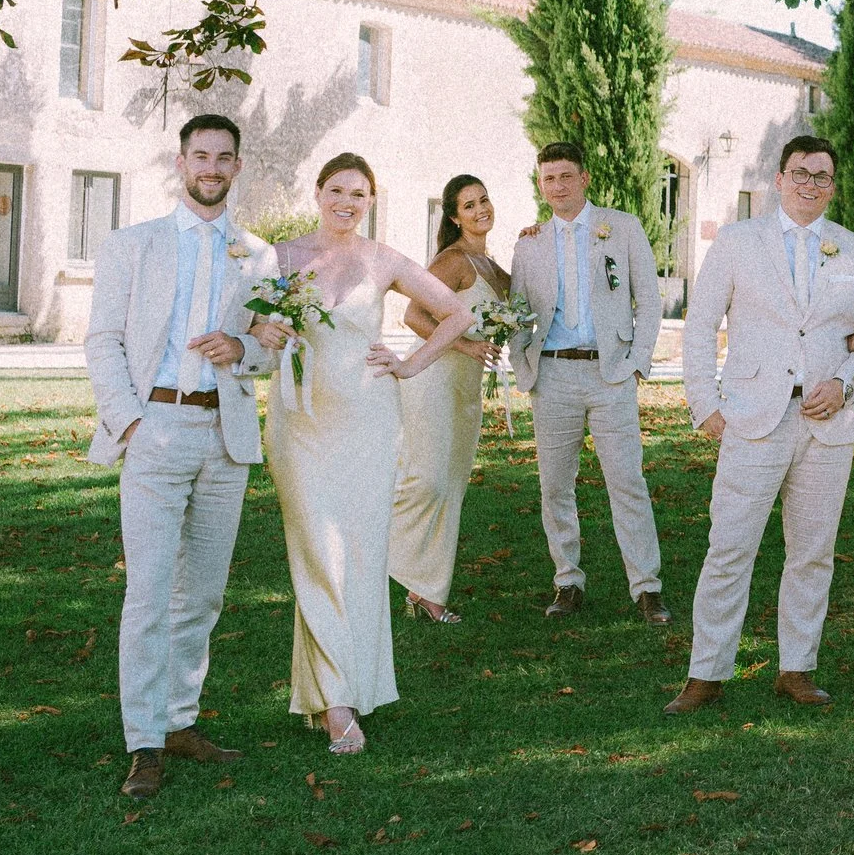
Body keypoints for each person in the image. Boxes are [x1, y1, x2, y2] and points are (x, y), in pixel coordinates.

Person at [251, 154, 472, 753]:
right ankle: (336, 702)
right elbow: (251, 325)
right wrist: (266, 331)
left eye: (360, 194)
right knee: (318, 551)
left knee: (363, 555)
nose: (347, 202)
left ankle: (346, 689)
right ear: (318, 192)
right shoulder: (283, 258)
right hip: (301, 422)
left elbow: (457, 314)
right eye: (337, 191)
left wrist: (408, 365)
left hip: (369, 423)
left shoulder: (384, 261)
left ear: (371, 201)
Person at [84, 113, 275, 800]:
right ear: (181, 161)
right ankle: (143, 743)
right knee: (149, 592)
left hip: (224, 436)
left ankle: (179, 719)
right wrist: (131, 423)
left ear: (238, 166)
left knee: (204, 591)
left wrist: (243, 348)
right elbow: (102, 340)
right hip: (155, 428)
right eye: (201, 155)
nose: (212, 167)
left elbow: (271, 342)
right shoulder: (133, 244)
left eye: (224, 157)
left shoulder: (257, 255)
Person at [665, 136, 854, 714]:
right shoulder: (740, 242)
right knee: (729, 547)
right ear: (779, 178)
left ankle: (797, 668)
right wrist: (703, 405)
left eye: (822, 176)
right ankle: (706, 671)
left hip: (825, 424)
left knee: (813, 553)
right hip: (752, 419)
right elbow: (699, 324)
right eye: (801, 173)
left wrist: (844, 383)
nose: (811, 184)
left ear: (833, 185)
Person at [507, 142, 668, 622]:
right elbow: (517, 313)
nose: (557, 186)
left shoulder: (620, 227)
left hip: (610, 372)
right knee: (555, 484)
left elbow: (651, 301)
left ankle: (647, 587)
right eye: (548, 178)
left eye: (565, 176)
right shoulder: (529, 241)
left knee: (627, 480)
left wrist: (637, 360)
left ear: (584, 178)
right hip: (552, 372)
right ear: (541, 184)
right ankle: (567, 581)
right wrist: (522, 364)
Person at [389, 174, 509, 625]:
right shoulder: (454, 261)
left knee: (452, 488)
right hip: (433, 379)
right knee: (428, 482)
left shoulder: (492, 267)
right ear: (455, 217)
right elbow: (413, 314)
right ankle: (364, 549)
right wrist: (466, 345)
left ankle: (428, 594)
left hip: (467, 387)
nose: (481, 210)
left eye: (485, 200)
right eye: (470, 205)